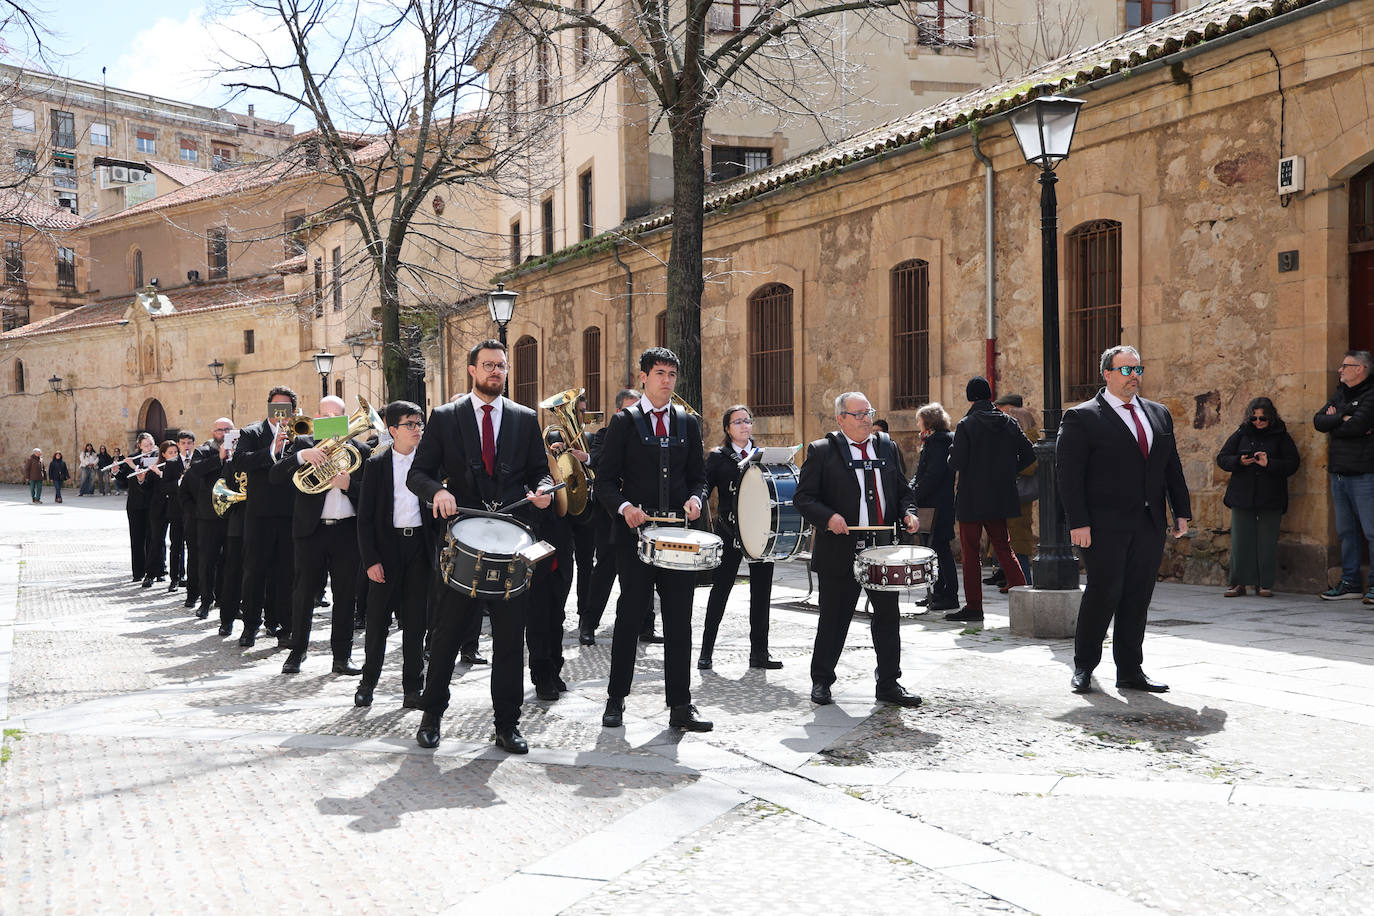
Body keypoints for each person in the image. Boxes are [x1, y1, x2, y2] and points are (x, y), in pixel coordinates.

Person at [407, 338, 554, 754]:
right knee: (446, 636)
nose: (496, 372)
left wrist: (542, 491)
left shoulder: (525, 419)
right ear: (471, 370)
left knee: (510, 641)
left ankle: (507, 725)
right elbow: (418, 473)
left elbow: (541, 474)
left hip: (511, 543)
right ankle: (432, 714)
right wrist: (437, 492)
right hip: (462, 541)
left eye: (502, 366)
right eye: (488, 365)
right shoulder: (446, 417)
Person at [1059, 345, 1191, 694]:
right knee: (1104, 592)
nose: (1134, 376)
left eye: (1138, 369)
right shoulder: (1083, 417)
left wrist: (1181, 511)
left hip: (1148, 522)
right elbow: (1070, 477)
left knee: (1137, 596)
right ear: (1106, 373)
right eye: (1126, 370)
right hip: (1102, 525)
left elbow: (1170, 466)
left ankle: (1131, 670)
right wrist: (1078, 523)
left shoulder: (1159, 413)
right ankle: (1084, 667)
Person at [596, 347, 712, 732]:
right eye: (659, 373)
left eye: (671, 374)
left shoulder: (687, 422)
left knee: (680, 620)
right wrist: (625, 506)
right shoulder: (624, 422)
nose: (666, 380)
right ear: (643, 377)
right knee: (630, 616)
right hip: (635, 537)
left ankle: (681, 705)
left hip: (678, 537)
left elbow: (699, 476)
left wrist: (697, 498)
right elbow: (605, 482)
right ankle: (616, 698)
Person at [794, 391, 923, 708]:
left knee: (888, 618)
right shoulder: (822, 451)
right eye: (859, 414)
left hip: (882, 551)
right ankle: (822, 681)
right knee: (834, 619)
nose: (866, 419)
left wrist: (909, 512)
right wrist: (829, 518)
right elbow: (804, 498)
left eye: (869, 413)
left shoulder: (887, 447)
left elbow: (903, 490)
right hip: (840, 551)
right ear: (841, 419)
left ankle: (889, 683)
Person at [272, 396, 367, 675]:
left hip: (346, 532)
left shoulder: (359, 449)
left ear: (346, 419)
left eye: (335, 415)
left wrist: (349, 485)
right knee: (303, 594)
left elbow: (372, 495)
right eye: (323, 415)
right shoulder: (303, 445)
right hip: (310, 533)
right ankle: (297, 652)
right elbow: (275, 477)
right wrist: (302, 457)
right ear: (316, 417)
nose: (328, 420)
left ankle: (342, 656)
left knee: (345, 596)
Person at [355, 401, 432, 708]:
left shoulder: (430, 464)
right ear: (392, 430)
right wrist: (370, 560)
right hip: (386, 551)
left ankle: (413, 687)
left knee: (415, 624)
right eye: (410, 424)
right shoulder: (376, 464)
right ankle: (367, 683)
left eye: (419, 424)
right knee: (376, 624)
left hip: (419, 551)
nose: (416, 430)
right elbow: (365, 518)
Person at [699, 404, 782, 670]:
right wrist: (696, 500)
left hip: (761, 534)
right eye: (738, 422)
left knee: (762, 594)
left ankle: (759, 653)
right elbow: (703, 486)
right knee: (720, 590)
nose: (744, 425)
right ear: (727, 428)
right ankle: (706, 651)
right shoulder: (718, 457)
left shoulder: (763, 456)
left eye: (748, 421)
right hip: (730, 532)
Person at [946, 377, 1034, 623]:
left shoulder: (966, 424)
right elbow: (1028, 455)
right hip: (1000, 495)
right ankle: (1024, 598)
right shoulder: (1009, 423)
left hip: (972, 496)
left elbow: (956, 463)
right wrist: (1007, 472)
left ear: (970, 397)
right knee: (1004, 547)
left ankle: (974, 607)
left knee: (970, 552)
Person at [228, 386, 300, 646]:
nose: (281, 412)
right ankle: (250, 626)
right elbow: (239, 462)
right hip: (259, 515)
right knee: (254, 572)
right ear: (269, 406)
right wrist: (271, 448)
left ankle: (282, 624)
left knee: (285, 573)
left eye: (286, 407)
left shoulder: (299, 433)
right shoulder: (252, 432)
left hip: (289, 513)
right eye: (276, 406)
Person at [1216, 397, 1301, 598]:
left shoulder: (1281, 436)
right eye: (1254, 418)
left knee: (1267, 541)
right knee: (1240, 541)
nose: (1258, 422)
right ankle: (1238, 582)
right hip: (1242, 495)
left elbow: (1292, 464)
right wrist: (1240, 461)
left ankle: (1264, 583)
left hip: (1271, 496)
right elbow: (1223, 458)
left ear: (1270, 418)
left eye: (1262, 418)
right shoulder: (1241, 433)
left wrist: (1269, 463)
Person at [579, 388, 640, 645]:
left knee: (643, 569)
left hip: (640, 511)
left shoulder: (648, 436)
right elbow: (600, 461)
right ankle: (588, 623)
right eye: (629, 410)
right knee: (605, 568)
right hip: (610, 513)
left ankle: (644, 625)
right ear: (618, 412)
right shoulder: (605, 434)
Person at [1313, 350, 1374, 602]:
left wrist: (1336, 421)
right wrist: (1343, 417)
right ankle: (1349, 583)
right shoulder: (1340, 393)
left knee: (1372, 531)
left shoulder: (1371, 394)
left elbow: (1357, 425)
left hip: (1365, 474)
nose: (1340, 370)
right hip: (1339, 473)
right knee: (1346, 531)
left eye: (1345, 366)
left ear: (1360, 369)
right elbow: (1318, 421)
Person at [910, 403, 958, 613]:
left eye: (920, 419)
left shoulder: (939, 442)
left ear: (928, 421)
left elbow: (933, 476)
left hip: (937, 505)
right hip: (930, 504)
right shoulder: (932, 441)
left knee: (941, 550)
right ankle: (936, 592)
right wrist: (910, 490)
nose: (917, 423)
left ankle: (949, 594)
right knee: (932, 550)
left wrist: (915, 494)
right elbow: (921, 474)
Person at [184, 419, 233, 620]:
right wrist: (219, 458)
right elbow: (195, 471)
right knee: (207, 560)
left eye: (227, 430)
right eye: (220, 430)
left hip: (232, 513)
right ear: (213, 432)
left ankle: (227, 601)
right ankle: (206, 601)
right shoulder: (204, 450)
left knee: (230, 561)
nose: (223, 433)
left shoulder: (240, 450)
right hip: (208, 515)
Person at [1003, 404, 1040, 587]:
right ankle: (1014, 580)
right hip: (1013, 495)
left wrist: (1011, 467)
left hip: (1020, 497)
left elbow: (1030, 466)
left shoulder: (1030, 440)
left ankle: (1023, 581)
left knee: (1019, 542)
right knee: (1013, 541)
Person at [115, 434, 158, 582]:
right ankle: (138, 572)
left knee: (152, 538)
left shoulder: (158, 458)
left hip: (152, 504)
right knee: (136, 538)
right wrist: (115, 471)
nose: (149, 448)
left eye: (151, 444)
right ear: (139, 446)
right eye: (146, 445)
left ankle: (154, 571)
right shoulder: (132, 458)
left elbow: (153, 478)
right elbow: (122, 481)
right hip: (135, 504)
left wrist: (135, 467)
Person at [141, 441, 182, 587]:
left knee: (177, 543)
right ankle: (151, 574)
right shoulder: (155, 467)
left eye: (175, 452)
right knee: (156, 540)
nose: (174, 455)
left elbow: (179, 485)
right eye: (170, 453)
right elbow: (147, 488)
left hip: (175, 507)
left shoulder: (180, 466)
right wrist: (142, 479)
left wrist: (161, 474)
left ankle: (178, 576)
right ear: (163, 454)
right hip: (158, 508)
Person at [175, 432, 199, 606]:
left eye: (189, 443)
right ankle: (177, 578)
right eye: (183, 443)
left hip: (196, 513)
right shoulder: (172, 462)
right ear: (178, 444)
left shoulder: (198, 459)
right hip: (178, 510)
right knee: (177, 546)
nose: (187, 446)